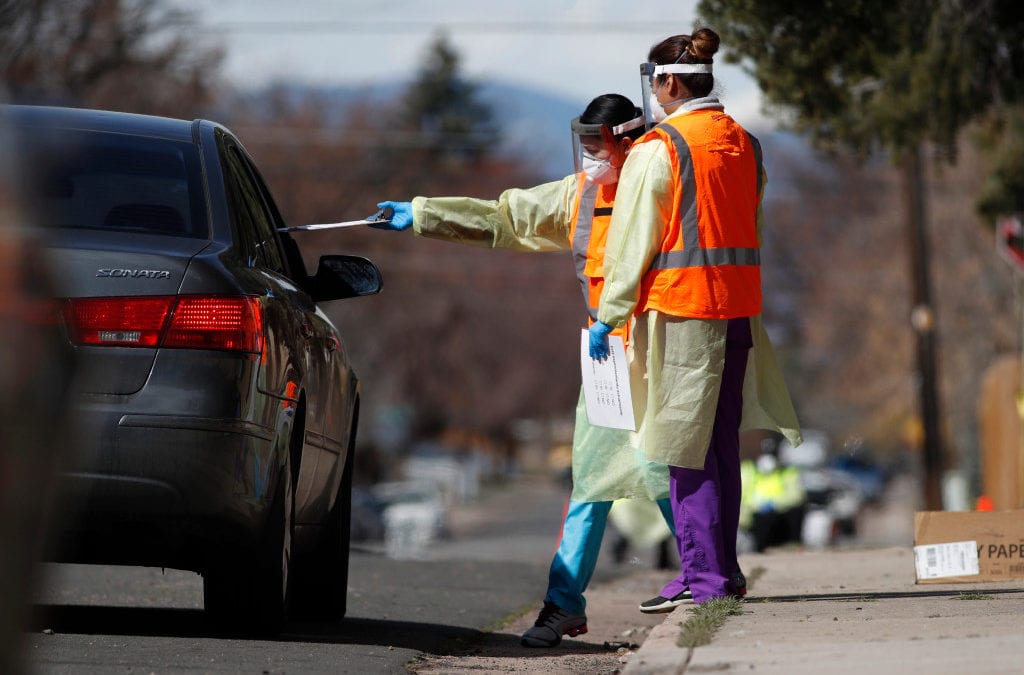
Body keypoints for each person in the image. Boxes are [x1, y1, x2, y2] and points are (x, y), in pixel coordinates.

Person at [374, 94, 678, 647]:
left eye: (597, 143)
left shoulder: (664, 185)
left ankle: (708, 579)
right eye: (583, 142)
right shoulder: (579, 195)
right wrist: (423, 214)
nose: (588, 154)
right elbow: (506, 216)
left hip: (659, 353)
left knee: (666, 473)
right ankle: (563, 606)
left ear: (628, 139)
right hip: (609, 358)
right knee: (590, 482)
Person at [586, 29, 803, 610]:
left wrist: (610, 315)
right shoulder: (747, 145)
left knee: (685, 450)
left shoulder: (662, 147)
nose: (654, 96)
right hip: (736, 313)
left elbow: (632, 243)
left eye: (657, 85)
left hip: (683, 315)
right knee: (722, 448)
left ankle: (704, 578)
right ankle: (720, 572)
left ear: (672, 82)